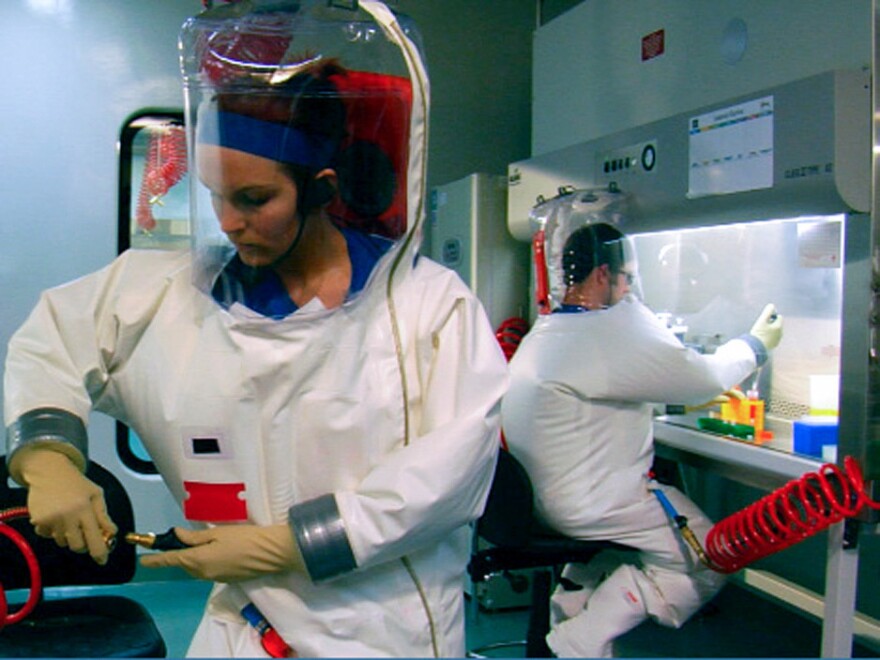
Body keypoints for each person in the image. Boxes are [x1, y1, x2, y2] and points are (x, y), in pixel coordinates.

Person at [3, 2, 508, 657]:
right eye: (216, 194)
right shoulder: (165, 293)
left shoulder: (424, 307)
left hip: (378, 630)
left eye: (254, 200)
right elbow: (51, 343)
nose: (229, 223)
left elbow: (452, 472)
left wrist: (284, 543)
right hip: (239, 625)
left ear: (322, 189)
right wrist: (50, 465)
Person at [502, 220, 783, 658]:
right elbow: (701, 379)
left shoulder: (553, 328)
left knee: (638, 545)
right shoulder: (603, 331)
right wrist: (754, 346)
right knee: (710, 557)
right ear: (602, 276)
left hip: (538, 502)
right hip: (589, 504)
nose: (630, 290)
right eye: (627, 279)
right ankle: (581, 639)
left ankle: (569, 606)